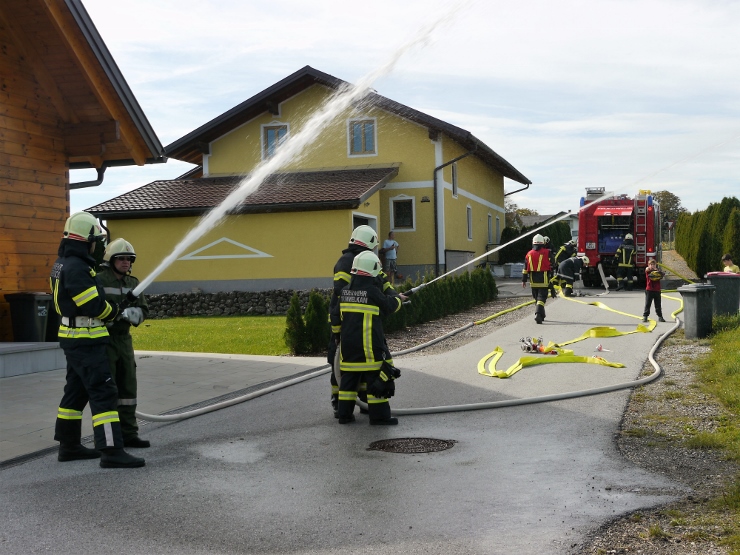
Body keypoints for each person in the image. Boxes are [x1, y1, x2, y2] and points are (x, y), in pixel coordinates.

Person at [49, 212, 145, 469]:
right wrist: (115, 313)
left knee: (76, 393)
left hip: (73, 338)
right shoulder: (78, 268)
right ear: (87, 240)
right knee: (104, 393)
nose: (98, 246)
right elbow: (93, 305)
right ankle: (112, 450)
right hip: (87, 340)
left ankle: (69, 446)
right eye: (96, 241)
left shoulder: (62, 263)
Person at [327, 225, 405, 418]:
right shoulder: (347, 262)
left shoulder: (364, 261)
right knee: (343, 367)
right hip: (349, 322)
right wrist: (390, 300)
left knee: (350, 369)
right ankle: (341, 403)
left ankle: (355, 407)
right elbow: (343, 289)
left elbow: (382, 283)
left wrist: (395, 295)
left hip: (345, 320)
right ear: (368, 243)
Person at [97, 238, 150, 448]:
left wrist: (130, 313)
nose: (126, 262)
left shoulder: (133, 283)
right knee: (108, 390)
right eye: (121, 258)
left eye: (129, 259)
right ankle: (111, 438)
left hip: (124, 340)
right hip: (105, 341)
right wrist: (111, 315)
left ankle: (129, 434)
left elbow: (144, 311)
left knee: (128, 388)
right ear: (110, 260)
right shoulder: (99, 280)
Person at [522, 234, 551, 324]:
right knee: (542, 297)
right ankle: (538, 314)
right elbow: (552, 264)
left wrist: (524, 280)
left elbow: (525, 268)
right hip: (544, 278)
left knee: (537, 298)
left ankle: (542, 315)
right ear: (543, 243)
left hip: (533, 280)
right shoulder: (547, 252)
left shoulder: (529, 254)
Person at [643, 258, 666, 323]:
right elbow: (646, 270)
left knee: (658, 305)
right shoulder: (648, 271)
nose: (652, 266)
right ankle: (645, 316)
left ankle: (660, 317)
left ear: (656, 265)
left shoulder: (658, 272)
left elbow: (662, 274)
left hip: (657, 290)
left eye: (653, 264)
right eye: (651, 264)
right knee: (648, 304)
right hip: (649, 290)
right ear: (648, 265)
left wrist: (657, 270)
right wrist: (649, 268)